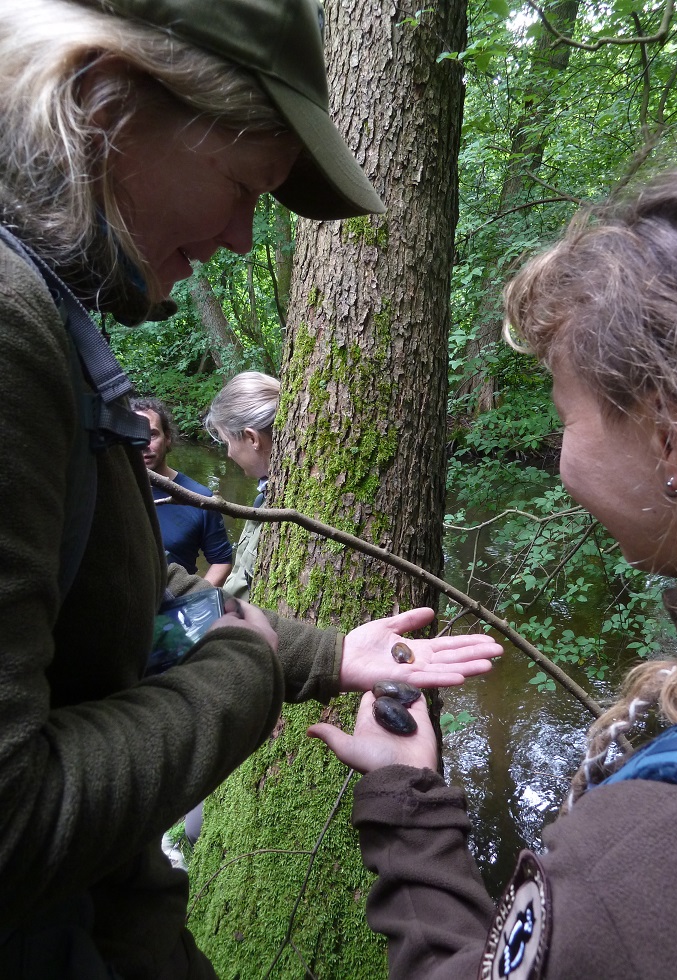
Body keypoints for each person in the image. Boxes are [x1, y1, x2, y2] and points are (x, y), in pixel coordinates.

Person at [0, 1, 503, 978]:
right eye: (241, 185)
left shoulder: (44, 309)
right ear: (103, 99)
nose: (240, 236)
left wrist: (322, 653)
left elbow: (103, 601)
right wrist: (248, 671)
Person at [309, 158, 677, 979]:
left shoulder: (650, 861)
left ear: (670, 440)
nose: (561, 449)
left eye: (562, 410)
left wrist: (404, 804)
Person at [132, 396, 233, 585]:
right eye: (134, 435)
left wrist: (196, 598)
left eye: (152, 434)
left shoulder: (199, 498)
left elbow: (221, 561)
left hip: (175, 598)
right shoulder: (110, 494)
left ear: (168, 438)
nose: (144, 444)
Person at [204, 371, 279, 600]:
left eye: (227, 442)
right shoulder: (264, 497)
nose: (228, 453)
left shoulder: (278, 507)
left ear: (252, 438)